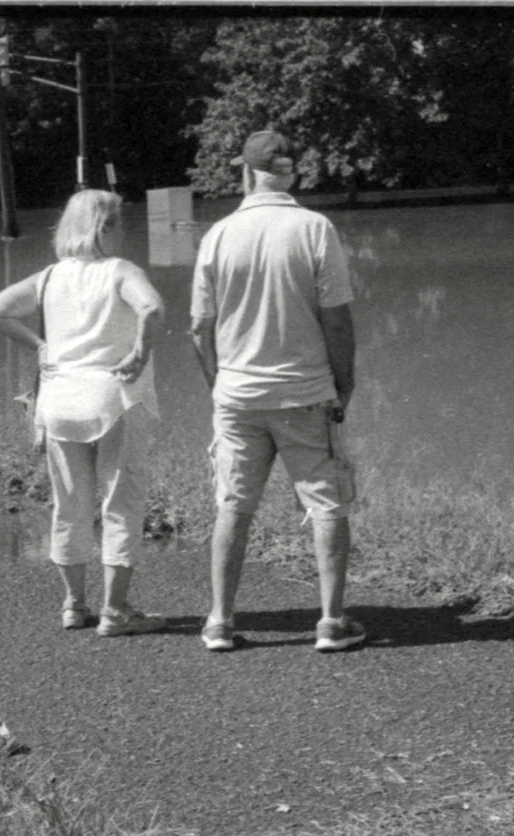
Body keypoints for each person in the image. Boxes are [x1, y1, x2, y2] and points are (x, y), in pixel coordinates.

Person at [188, 128, 362, 653]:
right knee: (327, 504)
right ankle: (331, 622)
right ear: (293, 174)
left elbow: (200, 326)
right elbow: (336, 318)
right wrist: (343, 382)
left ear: (246, 174)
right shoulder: (314, 228)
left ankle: (219, 621)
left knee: (233, 506)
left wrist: (220, 385)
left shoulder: (217, 235)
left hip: (238, 397)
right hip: (306, 393)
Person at [0, 189, 171, 636]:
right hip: (114, 400)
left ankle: (73, 604)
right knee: (120, 504)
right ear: (103, 227)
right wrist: (141, 351)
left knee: (70, 505)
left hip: (60, 403)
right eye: (120, 223)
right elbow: (153, 307)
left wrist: (41, 346)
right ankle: (116, 612)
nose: (124, 231)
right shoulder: (121, 271)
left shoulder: (49, 278)